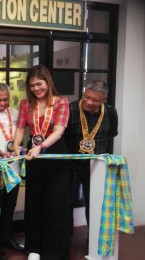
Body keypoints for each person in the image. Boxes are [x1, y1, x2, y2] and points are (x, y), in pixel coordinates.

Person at [12, 65, 70, 260]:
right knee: (34, 200)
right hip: (34, 155)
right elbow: (20, 128)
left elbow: (59, 130)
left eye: (39, 84)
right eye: (32, 86)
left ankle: (53, 250)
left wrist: (41, 146)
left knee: (55, 202)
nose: (36, 89)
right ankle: (34, 248)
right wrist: (16, 145)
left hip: (53, 152)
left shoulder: (60, 102)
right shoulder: (25, 104)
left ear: (48, 82)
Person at [64, 80, 118, 233]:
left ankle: (94, 239)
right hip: (72, 166)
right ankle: (66, 240)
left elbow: (111, 135)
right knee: (67, 203)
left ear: (103, 100)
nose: (88, 102)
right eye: (86, 97)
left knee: (95, 203)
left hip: (96, 167)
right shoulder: (71, 109)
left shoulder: (111, 112)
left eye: (94, 100)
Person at [0, 83, 25, 260]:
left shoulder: (15, 113)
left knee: (10, 204)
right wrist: (2, 153)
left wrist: (15, 148)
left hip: (14, 165)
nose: (2, 103)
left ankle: (7, 238)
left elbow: (20, 132)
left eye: (6, 99)